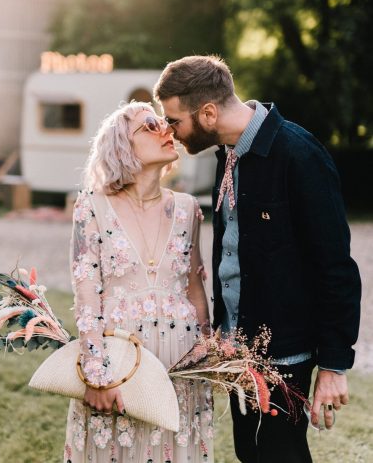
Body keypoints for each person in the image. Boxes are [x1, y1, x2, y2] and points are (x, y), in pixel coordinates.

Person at [154, 55, 361, 463]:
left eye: (175, 121)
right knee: (250, 452)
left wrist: (334, 366)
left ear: (208, 112)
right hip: (237, 349)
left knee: (281, 454)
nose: (170, 132)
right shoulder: (227, 155)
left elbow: (336, 267)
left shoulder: (299, 154)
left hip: (285, 352)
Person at [63, 101, 213, 463]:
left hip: (180, 370)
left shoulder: (188, 208)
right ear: (121, 144)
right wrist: (96, 375)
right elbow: (86, 296)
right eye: (149, 124)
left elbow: (195, 289)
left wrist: (208, 355)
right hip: (117, 370)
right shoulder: (91, 207)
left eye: (164, 122)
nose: (166, 129)